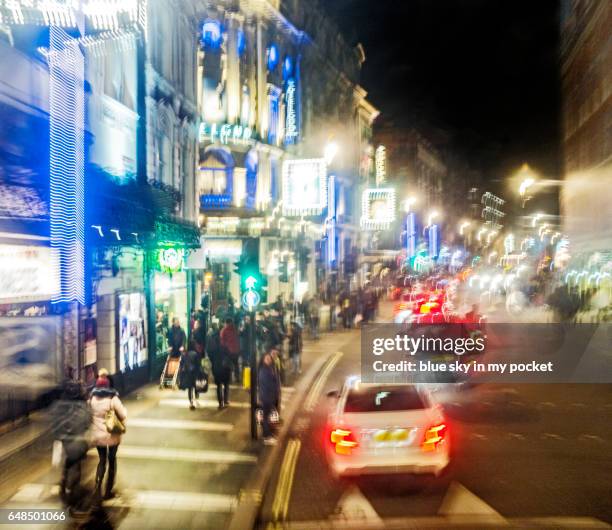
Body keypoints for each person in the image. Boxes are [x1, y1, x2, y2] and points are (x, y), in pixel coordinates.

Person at [52, 378, 90, 511]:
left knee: (68, 462)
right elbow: (87, 422)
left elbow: (55, 422)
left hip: (64, 440)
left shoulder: (59, 404)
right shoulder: (82, 405)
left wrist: (59, 436)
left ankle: (64, 482)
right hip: (77, 439)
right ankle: (72, 490)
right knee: (77, 464)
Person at [89, 376, 127, 500]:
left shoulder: (92, 399)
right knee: (112, 461)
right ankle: (108, 491)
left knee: (102, 460)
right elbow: (123, 414)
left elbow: (88, 414)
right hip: (112, 435)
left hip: (98, 436)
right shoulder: (113, 399)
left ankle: (97, 486)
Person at [258, 351, 280, 445]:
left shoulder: (268, 368)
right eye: (266, 359)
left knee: (267, 417)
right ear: (263, 360)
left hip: (269, 396)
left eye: (269, 358)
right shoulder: (264, 371)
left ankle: (268, 435)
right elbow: (268, 385)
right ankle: (267, 437)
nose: (268, 360)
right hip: (266, 397)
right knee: (266, 417)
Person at [209, 322, 231, 409]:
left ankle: (220, 402)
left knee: (218, 386)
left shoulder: (213, 348)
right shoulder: (224, 346)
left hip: (217, 367)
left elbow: (210, 355)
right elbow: (229, 355)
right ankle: (225, 399)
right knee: (226, 384)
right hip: (224, 367)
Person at [180, 342, 203, 410]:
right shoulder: (195, 354)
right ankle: (196, 396)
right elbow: (198, 364)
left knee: (190, 388)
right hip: (194, 373)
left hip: (188, 373)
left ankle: (191, 402)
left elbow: (182, 364)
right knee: (195, 386)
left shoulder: (185, 354)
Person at [220, 317, 240, 384]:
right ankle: (237, 377)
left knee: (228, 365)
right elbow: (237, 338)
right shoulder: (235, 329)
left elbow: (222, 341)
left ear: (226, 323)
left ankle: (229, 379)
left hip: (228, 350)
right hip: (236, 350)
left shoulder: (224, 330)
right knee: (236, 364)